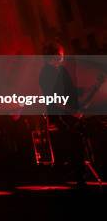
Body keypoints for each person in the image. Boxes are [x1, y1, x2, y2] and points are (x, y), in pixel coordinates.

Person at [39, 41, 85, 186]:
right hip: (59, 116)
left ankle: (76, 175)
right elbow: (53, 98)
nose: (63, 57)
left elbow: (70, 91)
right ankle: (67, 176)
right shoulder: (46, 73)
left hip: (67, 115)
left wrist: (88, 89)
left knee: (75, 144)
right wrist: (72, 112)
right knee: (68, 146)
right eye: (61, 55)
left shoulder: (62, 71)